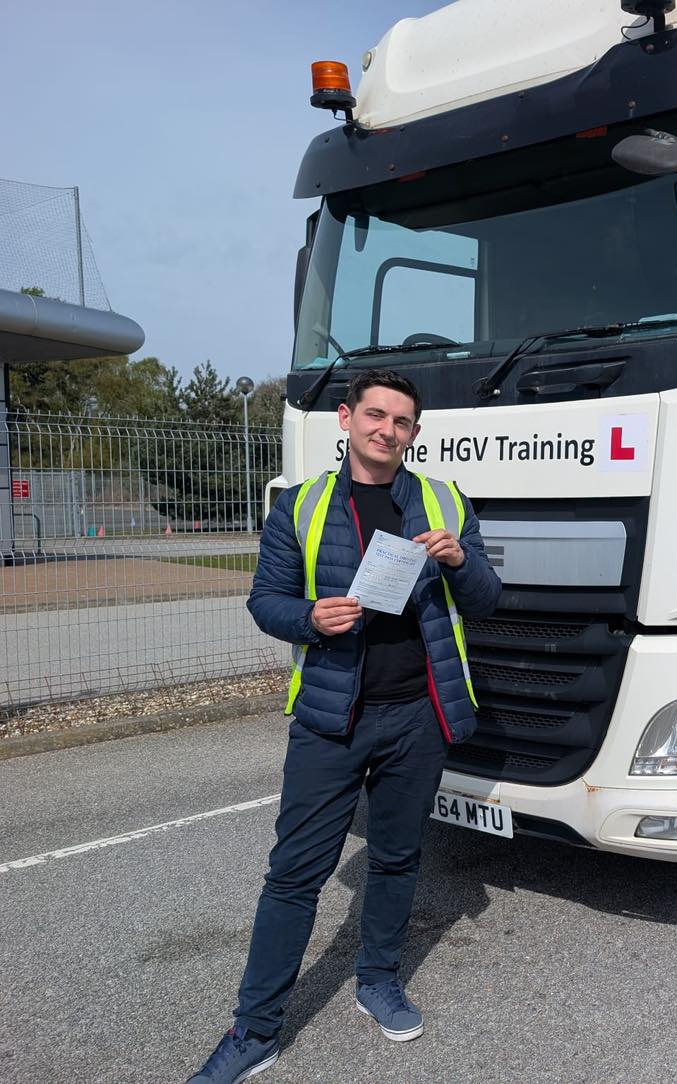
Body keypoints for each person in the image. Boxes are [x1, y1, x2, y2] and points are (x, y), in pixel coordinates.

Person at [189, 369, 500, 1083]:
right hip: (332, 717)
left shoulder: (445, 501)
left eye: (402, 421)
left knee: (396, 858)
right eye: (375, 415)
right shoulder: (300, 505)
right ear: (345, 418)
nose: (387, 430)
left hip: (417, 715)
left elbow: (486, 600)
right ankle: (256, 1029)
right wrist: (309, 617)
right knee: (294, 875)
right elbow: (264, 600)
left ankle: (378, 979)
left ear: (414, 434)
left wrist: (458, 560)